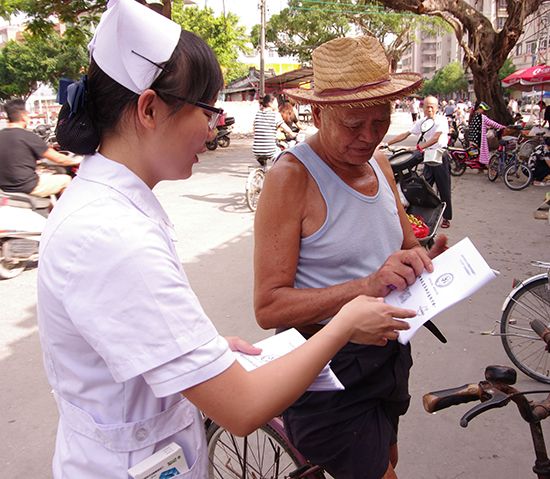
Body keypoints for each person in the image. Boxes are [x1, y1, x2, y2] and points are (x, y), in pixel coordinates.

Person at [36, 2, 417, 478]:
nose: (215, 126)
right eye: (208, 110)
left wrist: (204, 349)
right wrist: (344, 323)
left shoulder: (114, 208)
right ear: (150, 108)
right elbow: (240, 410)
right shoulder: (111, 236)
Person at [253, 35, 448, 479]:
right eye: (353, 124)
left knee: (387, 458)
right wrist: (365, 288)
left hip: (390, 353)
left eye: (380, 122)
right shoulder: (292, 178)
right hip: (328, 370)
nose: (368, 137)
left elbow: (404, 246)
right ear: (317, 113)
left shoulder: (378, 162)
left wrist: (424, 258)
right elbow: (269, 307)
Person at [386, 96, 453, 229]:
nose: (429, 109)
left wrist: (419, 148)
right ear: (422, 108)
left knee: (444, 188)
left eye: (432, 107)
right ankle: (425, 214)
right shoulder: (422, 122)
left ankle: (446, 217)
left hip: (439, 156)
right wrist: (387, 143)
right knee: (424, 186)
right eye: (426, 106)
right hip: (427, 157)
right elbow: (406, 134)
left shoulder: (441, 120)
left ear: (437, 107)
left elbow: (435, 138)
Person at [0, 99, 78, 197]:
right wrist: (77, 161)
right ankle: (64, 211)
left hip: (5, 188)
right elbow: (59, 159)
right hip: (28, 186)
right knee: (66, 180)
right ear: (24, 117)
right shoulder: (27, 136)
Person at [252, 94, 295, 164]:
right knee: (282, 157)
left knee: (264, 167)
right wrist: (293, 134)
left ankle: (261, 172)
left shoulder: (257, 113)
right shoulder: (275, 115)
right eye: (276, 103)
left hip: (256, 150)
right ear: (270, 104)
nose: (277, 105)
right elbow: (286, 129)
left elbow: (254, 129)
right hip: (269, 150)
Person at [467, 101, 506, 165]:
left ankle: (477, 164)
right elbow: (492, 123)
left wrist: (486, 127)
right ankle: (482, 164)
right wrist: (502, 127)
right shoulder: (482, 117)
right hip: (478, 138)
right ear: (481, 109)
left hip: (472, 137)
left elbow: (477, 125)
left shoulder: (473, 115)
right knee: (482, 151)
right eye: (484, 110)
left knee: (474, 152)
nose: (485, 112)